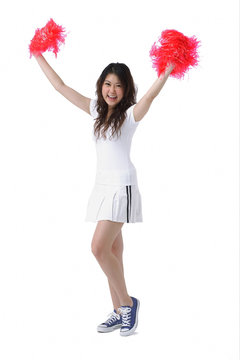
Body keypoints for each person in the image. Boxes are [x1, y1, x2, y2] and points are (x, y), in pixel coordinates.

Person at [33, 54, 174, 336]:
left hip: (123, 188)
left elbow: (150, 97)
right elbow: (60, 87)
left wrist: (168, 69)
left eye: (118, 86)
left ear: (126, 89)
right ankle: (117, 309)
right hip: (101, 188)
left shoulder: (131, 115)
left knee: (98, 248)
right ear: (101, 86)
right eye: (107, 84)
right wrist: (38, 54)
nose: (111, 90)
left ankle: (127, 304)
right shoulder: (96, 110)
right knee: (112, 252)